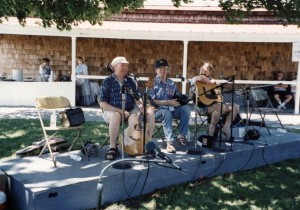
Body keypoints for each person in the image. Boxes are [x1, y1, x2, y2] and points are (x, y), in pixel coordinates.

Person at [99, 56, 155, 160]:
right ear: (114, 67)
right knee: (115, 116)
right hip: (113, 110)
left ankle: (146, 144)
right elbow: (102, 103)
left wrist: (141, 106)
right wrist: (120, 111)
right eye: (122, 65)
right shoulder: (107, 81)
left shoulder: (131, 81)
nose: (125, 67)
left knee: (149, 112)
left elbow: (137, 98)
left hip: (129, 110)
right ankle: (112, 147)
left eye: (126, 66)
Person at [149, 58, 191, 153]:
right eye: (160, 68)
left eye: (165, 68)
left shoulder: (171, 83)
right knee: (166, 113)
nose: (163, 70)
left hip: (172, 109)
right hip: (157, 111)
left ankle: (181, 135)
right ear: (156, 70)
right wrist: (168, 102)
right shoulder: (152, 82)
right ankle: (170, 143)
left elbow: (177, 96)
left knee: (186, 109)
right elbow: (152, 101)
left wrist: (183, 99)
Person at [191, 62, 239, 140]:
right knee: (220, 107)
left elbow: (219, 97)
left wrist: (216, 88)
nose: (203, 71)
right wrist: (211, 82)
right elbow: (201, 78)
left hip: (215, 105)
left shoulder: (213, 82)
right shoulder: (196, 79)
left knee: (235, 107)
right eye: (202, 69)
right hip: (202, 107)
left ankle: (226, 127)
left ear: (210, 72)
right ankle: (212, 127)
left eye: (205, 70)